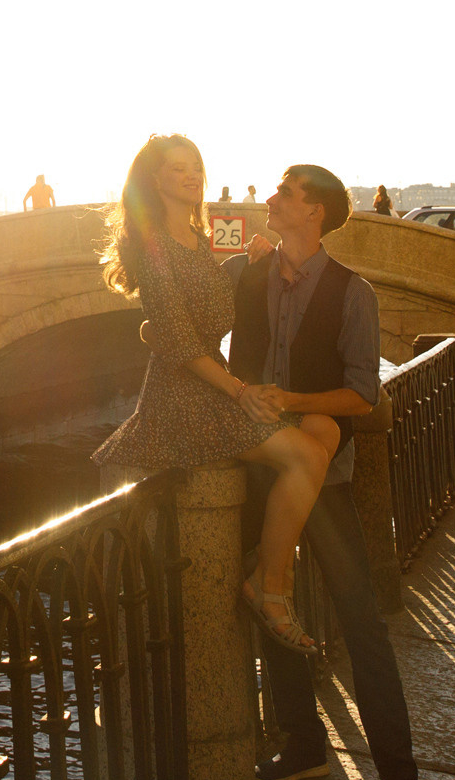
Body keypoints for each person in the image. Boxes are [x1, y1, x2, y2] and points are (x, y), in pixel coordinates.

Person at [229, 165, 432, 780]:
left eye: (285, 192)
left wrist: (291, 400)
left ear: (314, 211)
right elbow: (182, 314)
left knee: (361, 622)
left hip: (324, 477)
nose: (270, 198)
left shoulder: (352, 292)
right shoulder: (247, 274)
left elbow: (362, 394)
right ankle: (303, 746)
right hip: (261, 469)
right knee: (273, 606)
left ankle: (400, 778)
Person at [91, 135, 336, 656]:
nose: (192, 175)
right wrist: (240, 391)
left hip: (211, 387)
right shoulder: (153, 243)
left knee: (320, 436)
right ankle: (272, 588)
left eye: (195, 166)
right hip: (182, 399)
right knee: (306, 456)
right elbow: (180, 339)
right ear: (154, 179)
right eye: (178, 168)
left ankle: (265, 568)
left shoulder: (196, 237)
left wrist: (252, 263)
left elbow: (206, 312)